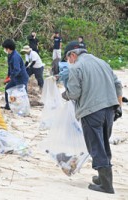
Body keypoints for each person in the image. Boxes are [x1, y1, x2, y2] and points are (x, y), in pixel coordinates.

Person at [62, 41, 123, 194]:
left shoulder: (76, 67)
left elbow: (74, 93)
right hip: (110, 109)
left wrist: (66, 94)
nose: (69, 62)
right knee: (103, 144)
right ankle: (103, 178)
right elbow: (118, 85)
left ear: (73, 55)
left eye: (68, 59)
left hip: (91, 111)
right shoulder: (103, 63)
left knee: (96, 146)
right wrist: (119, 105)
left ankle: (106, 186)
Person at [1, 39, 29, 110]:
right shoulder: (10, 55)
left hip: (21, 78)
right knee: (7, 89)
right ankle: (8, 106)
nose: (4, 50)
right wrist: (8, 76)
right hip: (15, 77)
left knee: (22, 93)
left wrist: (10, 78)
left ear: (8, 48)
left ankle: (24, 108)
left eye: (5, 48)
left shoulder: (15, 57)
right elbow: (10, 67)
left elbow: (17, 69)